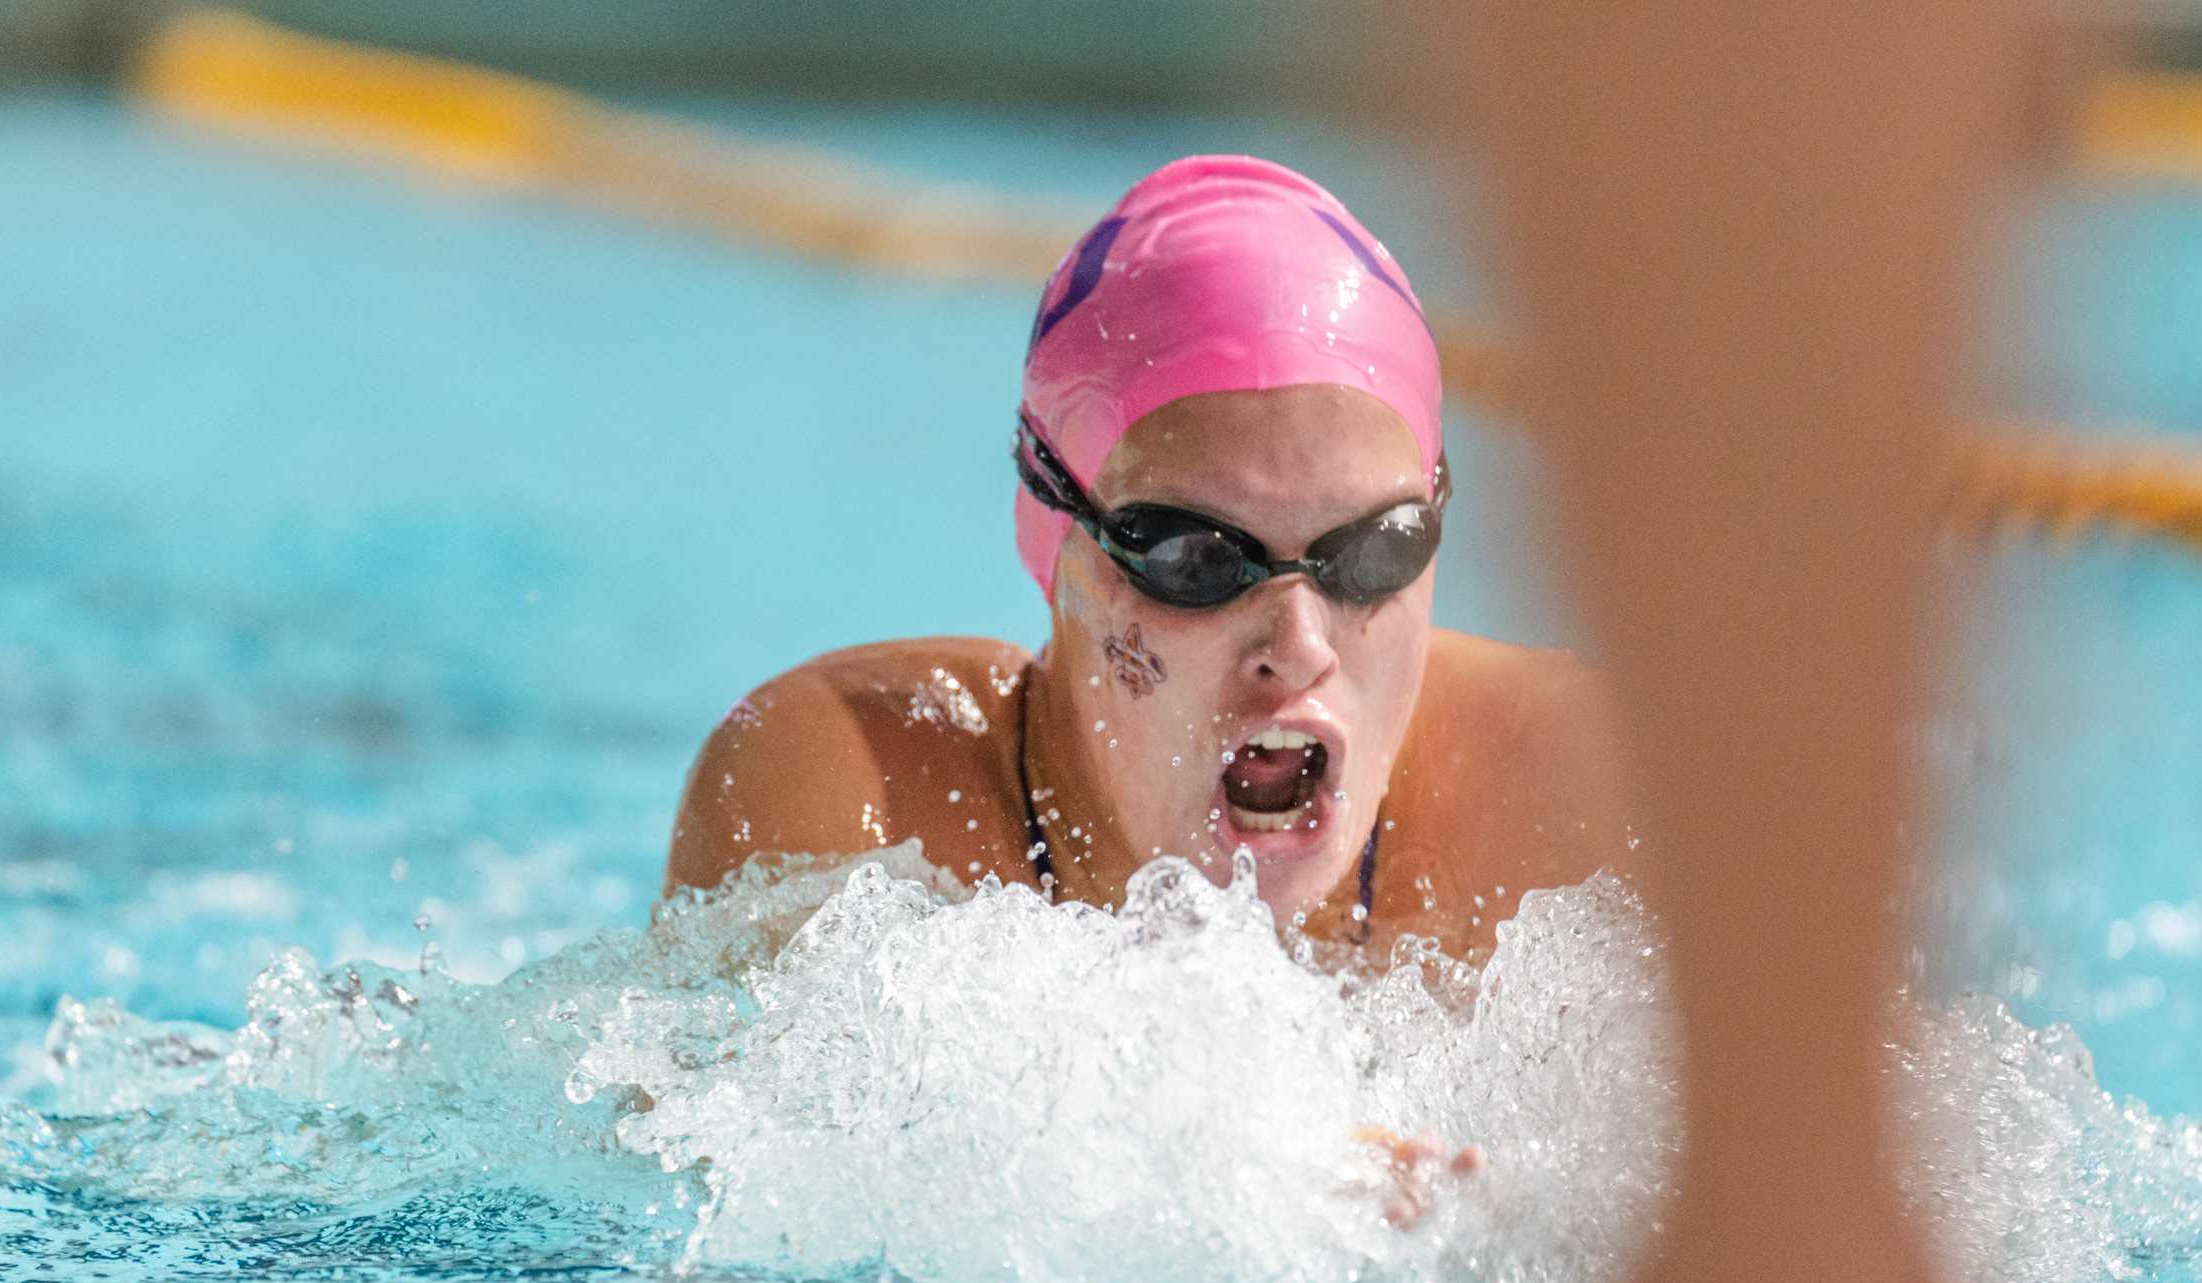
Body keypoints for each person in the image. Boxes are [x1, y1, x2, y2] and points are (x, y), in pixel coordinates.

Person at [664, 155, 1631, 970]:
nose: (1299, 647)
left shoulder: (1575, 807)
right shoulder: (857, 817)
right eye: (1195, 558)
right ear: (1053, 547)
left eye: (1376, 550)